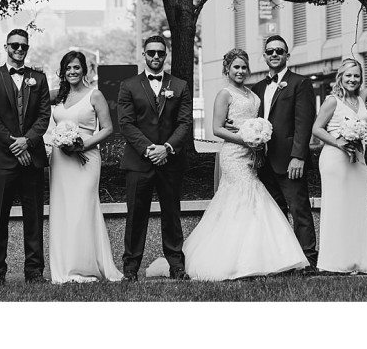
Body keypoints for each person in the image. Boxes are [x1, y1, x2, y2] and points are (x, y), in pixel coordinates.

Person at [182, 48, 308, 280]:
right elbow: (217, 128)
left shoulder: (253, 94)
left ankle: (258, 258)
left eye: (243, 67)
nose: (240, 71)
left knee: (252, 201)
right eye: (236, 67)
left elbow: (257, 120)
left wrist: (259, 139)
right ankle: (231, 261)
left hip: (253, 155)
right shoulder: (224, 94)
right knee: (241, 199)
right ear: (227, 69)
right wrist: (245, 138)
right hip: (233, 155)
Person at [116, 35, 193, 282]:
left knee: (172, 215)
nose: (156, 57)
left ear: (166, 54)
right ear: (144, 55)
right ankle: (130, 269)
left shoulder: (180, 85)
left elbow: (184, 122)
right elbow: (126, 123)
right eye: (152, 53)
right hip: (139, 162)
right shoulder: (128, 85)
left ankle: (176, 267)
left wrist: (167, 148)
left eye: (161, 53)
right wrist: (150, 149)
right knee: (135, 216)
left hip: (170, 162)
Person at [0, 29, 51, 285]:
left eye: (23, 46)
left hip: (32, 158)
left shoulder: (39, 79)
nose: (19, 50)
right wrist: (15, 145)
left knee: (34, 218)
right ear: (6, 47)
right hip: (3, 159)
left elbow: (44, 116)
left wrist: (28, 142)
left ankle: (34, 272)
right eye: (14, 45)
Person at [310, 58, 367, 275]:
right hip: (335, 159)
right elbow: (317, 129)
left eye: (356, 76)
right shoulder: (332, 101)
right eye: (348, 76)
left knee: (358, 207)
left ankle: (359, 261)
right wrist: (338, 141)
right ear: (340, 77)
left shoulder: (361, 97)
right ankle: (335, 262)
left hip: (358, 160)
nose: (353, 79)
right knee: (338, 208)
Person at [49, 51, 121, 283]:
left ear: (84, 70)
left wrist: (82, 145)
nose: (72, 72)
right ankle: (64, 266)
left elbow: (108, 128)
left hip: (86, 158)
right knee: (63, 211)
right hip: (60, 161)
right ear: (63, 71)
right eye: (68, 68)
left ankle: (85, 266)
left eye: (77, 68)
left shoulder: (94, 95)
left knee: (82, 209)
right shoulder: (58, 97)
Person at [251, 35, 317, 271]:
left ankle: (308, 260)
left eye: (279, 50)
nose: (274, 54)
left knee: (299, 210)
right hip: (263, 161)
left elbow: (304, 123)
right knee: (274, 215)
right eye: (270, 51)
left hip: (289, 160)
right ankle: (282, 261)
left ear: (287, 55)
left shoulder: (300, 83)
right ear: (265, 56)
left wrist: (298, 156)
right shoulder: (257, 87)